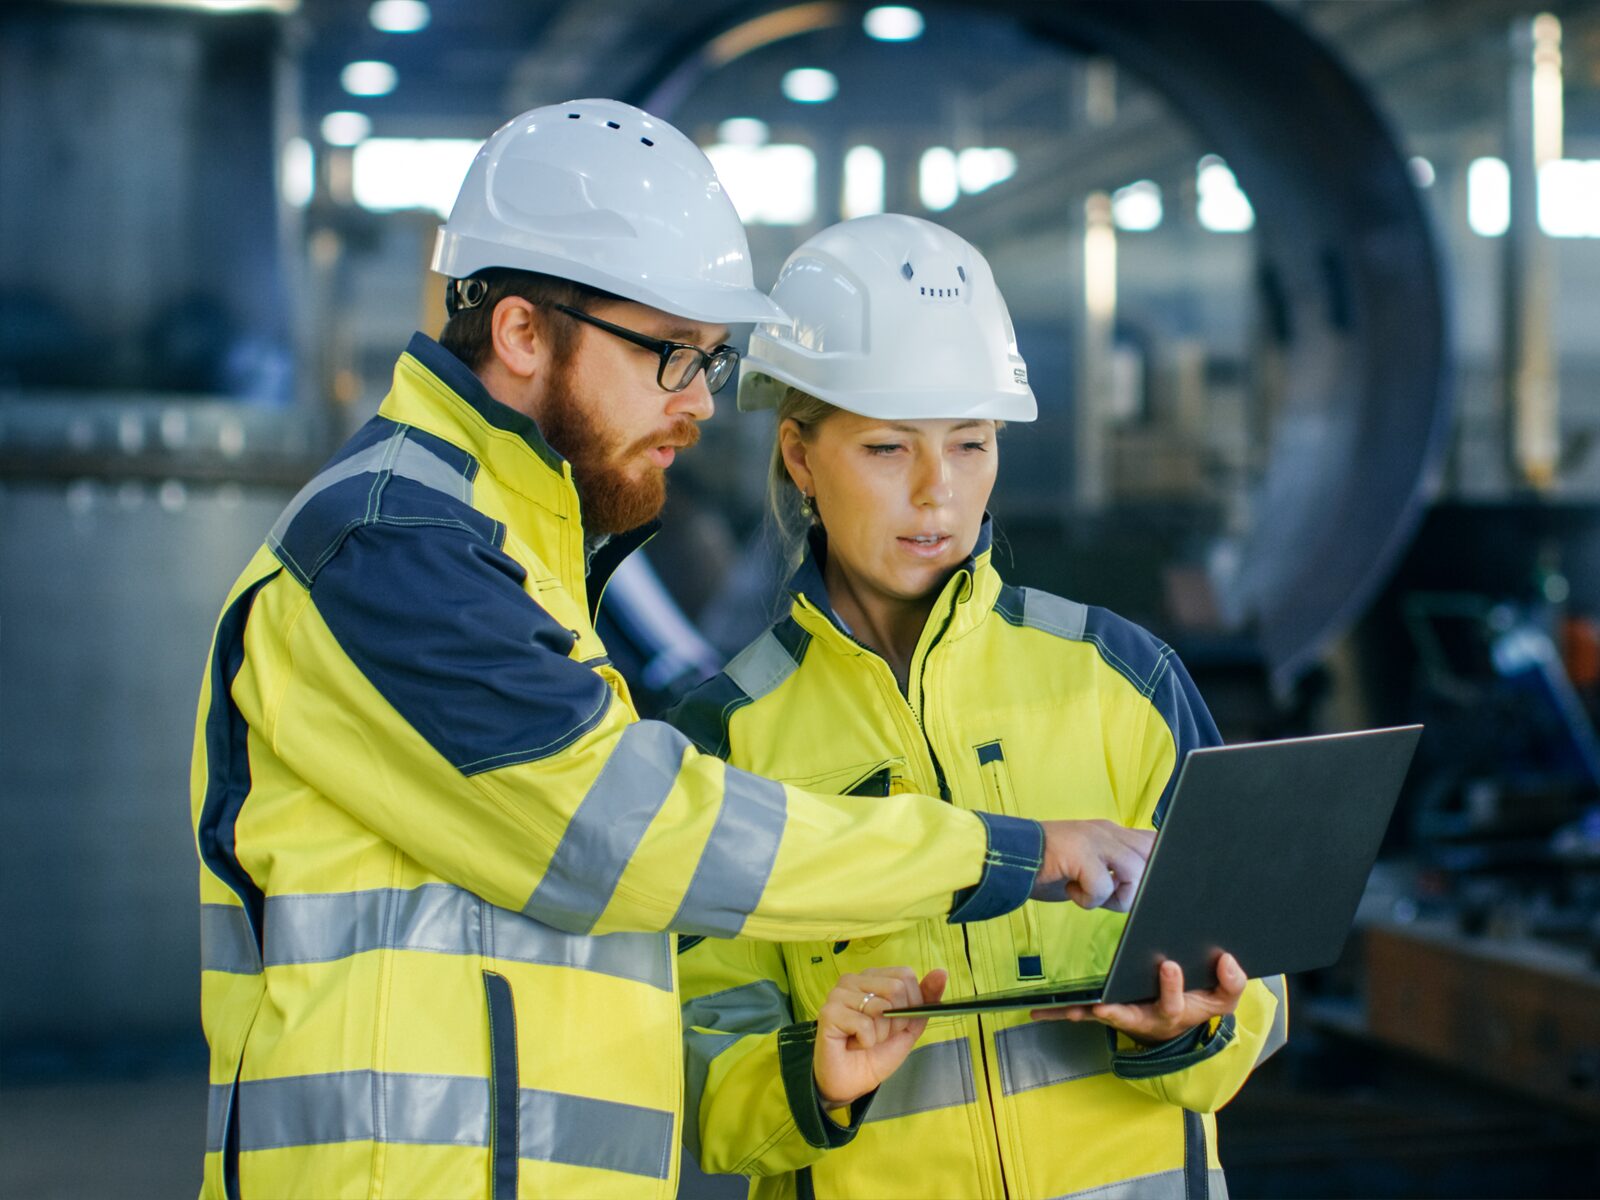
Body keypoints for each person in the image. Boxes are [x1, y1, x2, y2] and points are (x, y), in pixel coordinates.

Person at [189, 101, 1158, 1200]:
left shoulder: (511, 544)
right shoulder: (392, 546)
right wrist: (999, 853)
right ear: (520, 333)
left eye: (708, 359)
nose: (700, 402)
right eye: (671, 355)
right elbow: (628, 835)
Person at [670, 214, 1289, 1200]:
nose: (937, 493)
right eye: (885, 449)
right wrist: (812, 1081)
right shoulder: (726, 741)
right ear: (797, 456)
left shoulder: (1121, 678)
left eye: (969, 443)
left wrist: (1201, 1023)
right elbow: (699, 1070)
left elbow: (1258, 978)